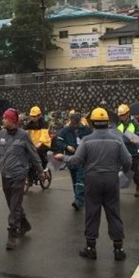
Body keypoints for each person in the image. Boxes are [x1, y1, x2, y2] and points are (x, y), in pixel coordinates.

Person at [54, 108, 131, 261]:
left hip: (92, 180)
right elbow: (128, 160)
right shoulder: (117, 139)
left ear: (91, 122)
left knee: (92, 213)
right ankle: (118, 249)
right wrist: (121, 171)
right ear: (107, 122)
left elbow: (76, 160)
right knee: (114, 213)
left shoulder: (87, 140)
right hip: (111, 179)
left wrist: (64, 157)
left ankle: (90, 248)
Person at [0, 108, 45, 251]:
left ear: (12, 120)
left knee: (14, 204)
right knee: (12, 204)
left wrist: (40, 170)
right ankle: (24, 223)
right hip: (5, 174)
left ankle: (12, 233)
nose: (3, 120)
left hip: (19, 174)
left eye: (5, 118)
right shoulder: (0, 134)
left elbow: (33, 154)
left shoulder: (23, 135)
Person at [56, 112, 92, 210]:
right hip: (70, 159)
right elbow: (58, 141)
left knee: (80, 178)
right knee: (75, 180)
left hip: (82, 159)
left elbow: (92, 141)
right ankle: (80, 196)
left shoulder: (87, 130)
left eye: (76, 123)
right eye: (73, 123)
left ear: (80, 120)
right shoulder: (65, 131)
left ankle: (78, 200)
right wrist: (66, 146)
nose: (75, 125)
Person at [116, 104, 139, 196]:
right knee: (120, 170)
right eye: (120, 115)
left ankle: (138, 185)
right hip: (121, 151)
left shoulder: (134, 123)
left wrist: (133, 138)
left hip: (132, 151)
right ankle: (118, 188)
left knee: (135, 171)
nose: (122, 117)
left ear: (128, 113)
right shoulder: (118, 123)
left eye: (123, 114)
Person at [24, 105, 51, 172]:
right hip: (34, 144)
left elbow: (44, 134)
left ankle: (43, 167)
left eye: (34, 116)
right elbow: (24, 134)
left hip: (44, 143)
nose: (33, 118)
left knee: (39, 152)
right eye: (32, 116)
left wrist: (40, 143)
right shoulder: (29, 125)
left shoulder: (44, 123)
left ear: (39, 115)